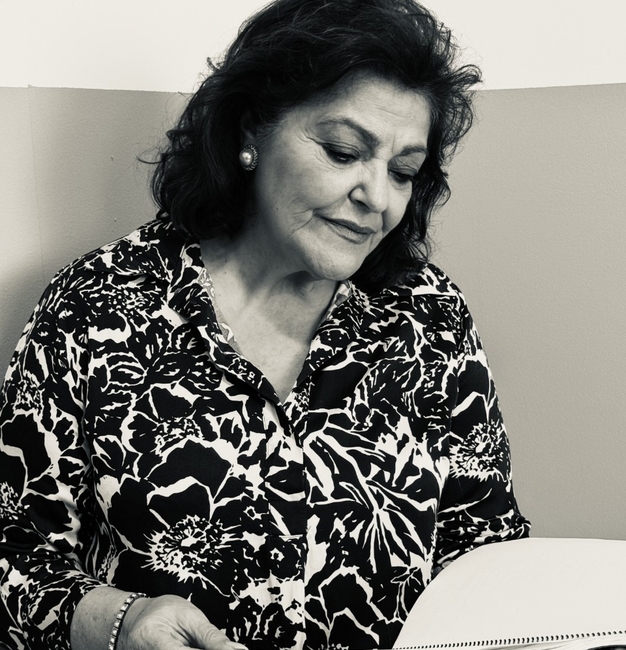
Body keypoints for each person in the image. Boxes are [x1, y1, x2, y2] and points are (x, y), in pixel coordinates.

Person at [0, 0, 531, 648]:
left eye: (402, 172)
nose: (377, 197)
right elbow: (14, 549)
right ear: (252, 129)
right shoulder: (96, 305)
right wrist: (117, 622)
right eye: (343, 151)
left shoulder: (429, 315)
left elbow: (489, 553)